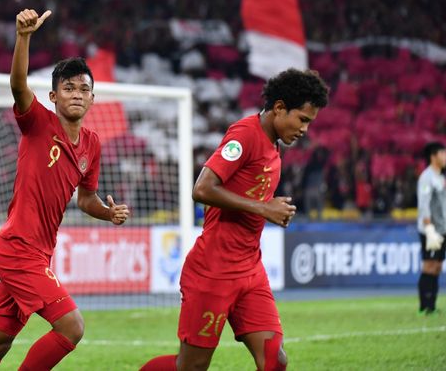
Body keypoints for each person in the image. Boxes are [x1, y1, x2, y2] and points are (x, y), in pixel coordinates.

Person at [0, 9, 130, 370]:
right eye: (68, 88)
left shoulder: (92, 144)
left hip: (39, 253)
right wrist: (23, 37)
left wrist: (108, 213)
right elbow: (19, 85)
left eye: (84, 89)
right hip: (18, 248)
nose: (77, 94)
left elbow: (86, 199)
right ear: (53, 96)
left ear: (94, 99)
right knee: (72, 326)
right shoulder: (38, 123)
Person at [141, 68, 329, 371]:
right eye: (303, 119)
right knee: (190, 367)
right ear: (279, 108)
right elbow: (201, 189)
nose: (305, 129)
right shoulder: (245, 134)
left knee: (274, 360)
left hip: (249, 270)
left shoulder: (274, 144)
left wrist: (265, 209)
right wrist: (264, 208)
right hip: (212, 272)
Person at [416, 141, 446, 315]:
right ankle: (423, 307)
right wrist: (429, 228)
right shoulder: (427, 177)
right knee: (429, 266)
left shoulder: (440, 177)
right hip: (430, 230)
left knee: (438, 266)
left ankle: (432, 305)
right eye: (443, 153)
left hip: (441, 229)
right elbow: (424, 204)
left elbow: (441, 206)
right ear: (434, 156)